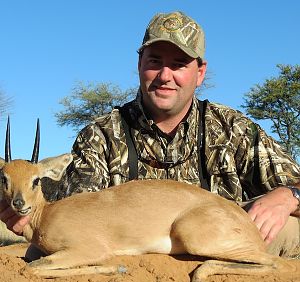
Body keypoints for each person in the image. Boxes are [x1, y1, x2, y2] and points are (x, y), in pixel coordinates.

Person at [1, 11, 300, 258]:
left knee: (288, 226)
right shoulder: (101, 135)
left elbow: (292, 183)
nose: (165, 75)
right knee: (42, 250)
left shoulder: (233, 128)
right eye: (155, 61)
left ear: (200, 72)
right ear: (140, 63)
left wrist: (289, 195)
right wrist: (25, 217)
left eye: (179, 64)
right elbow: (73, 217)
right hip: (135, 249)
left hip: (218, 242)